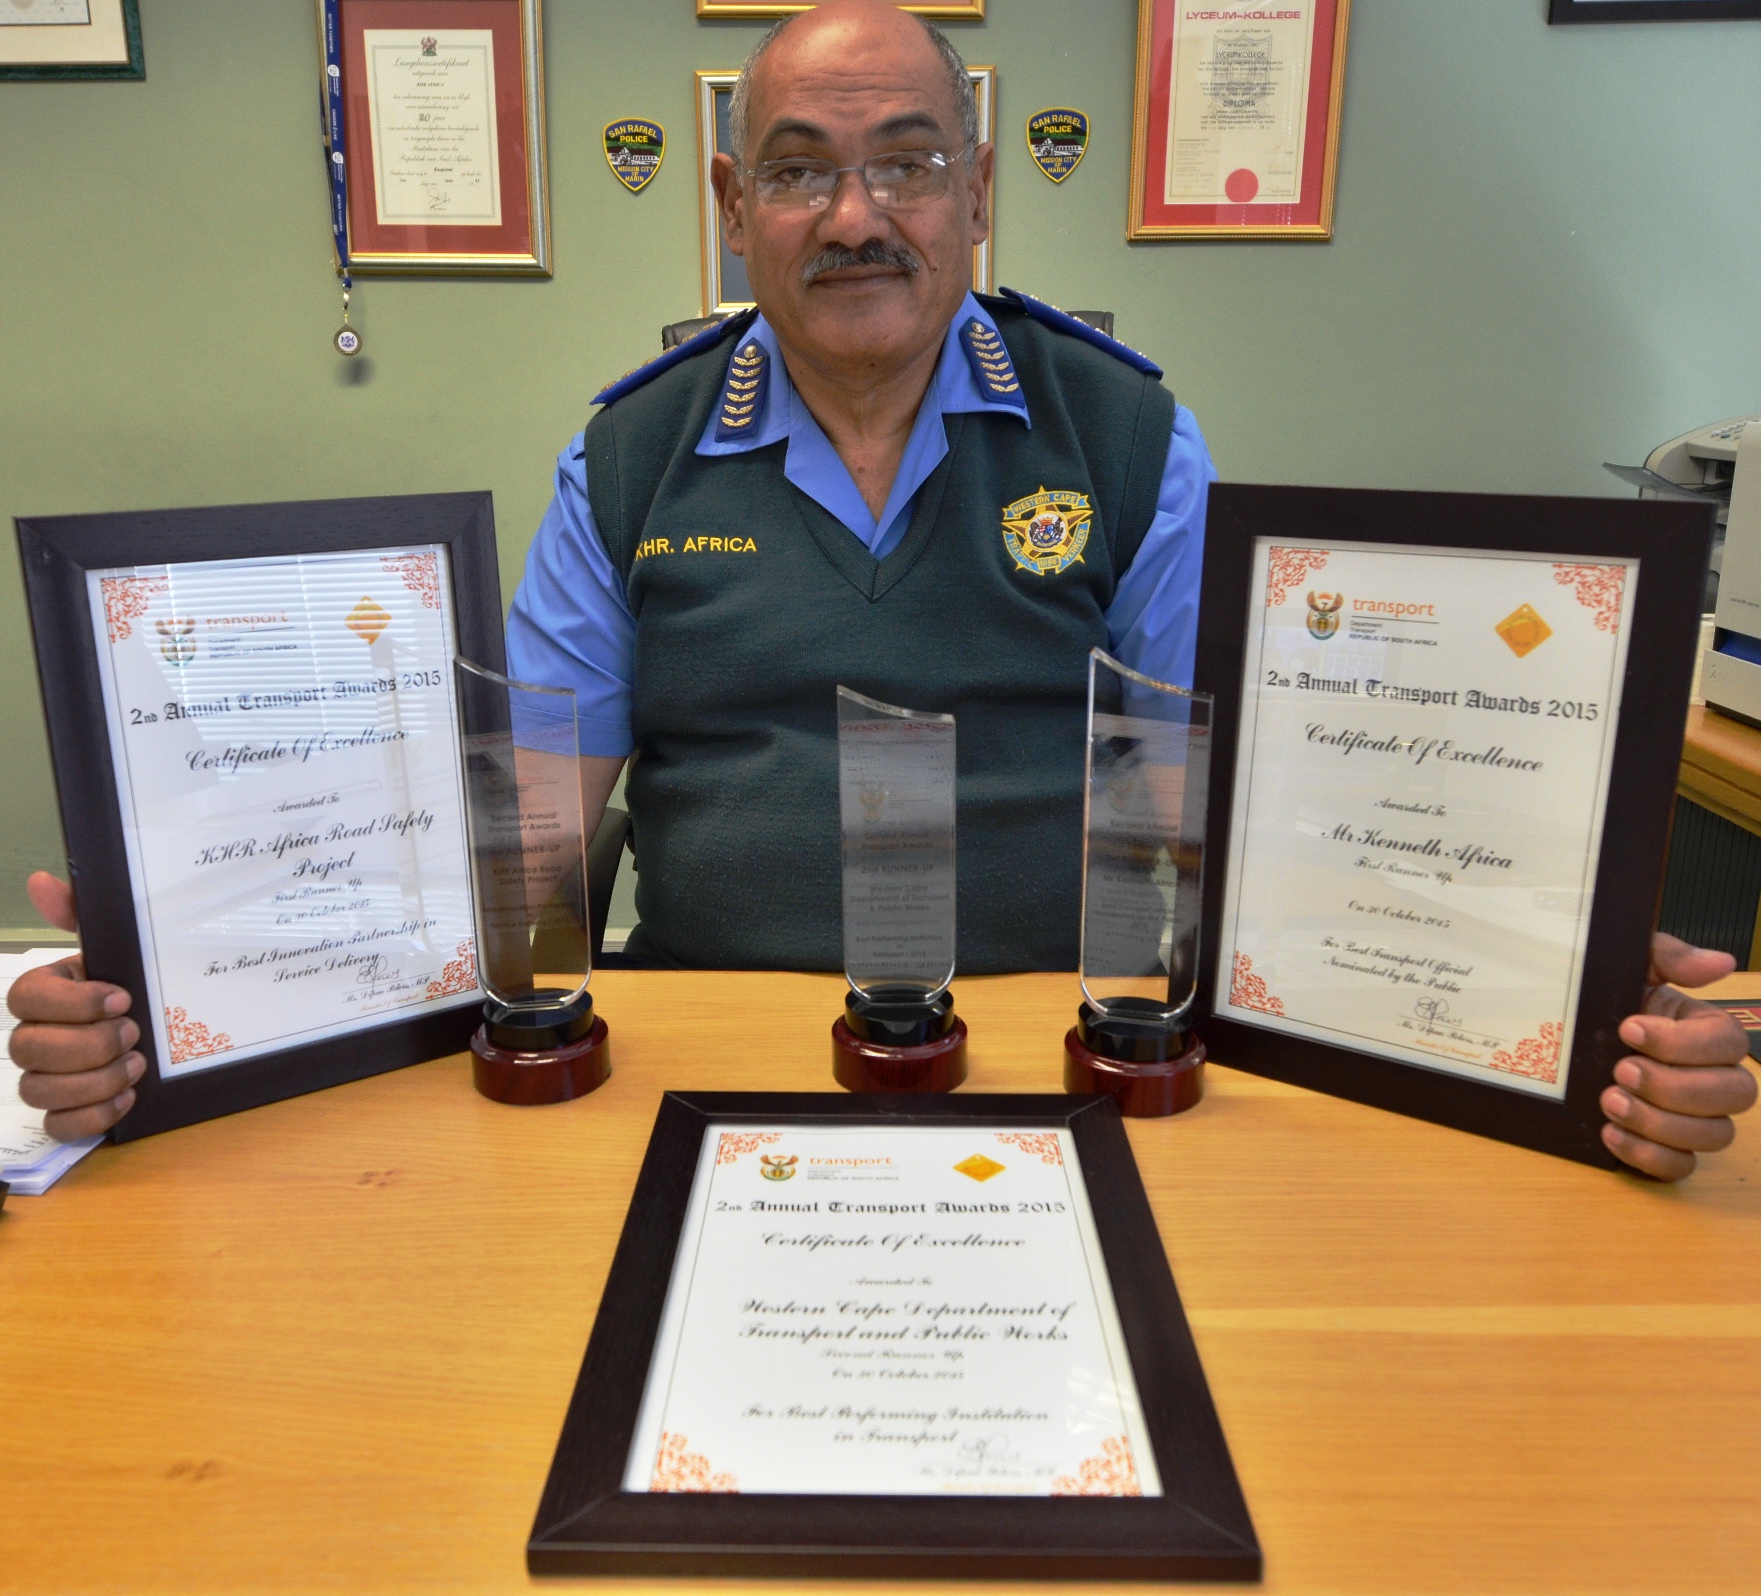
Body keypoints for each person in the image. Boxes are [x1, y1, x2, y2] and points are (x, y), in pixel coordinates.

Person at [6, 0, 1755, 1180]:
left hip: (1066, 1062)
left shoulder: (1129, 434)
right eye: (799, 170)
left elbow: (1232, 813)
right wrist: (223, 947)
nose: (858, 216)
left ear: (978, 190)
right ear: (733, 204)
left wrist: (1534, 962)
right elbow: (532, 848)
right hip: (703, 1060)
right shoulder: (620, 458)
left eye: (908, 162)